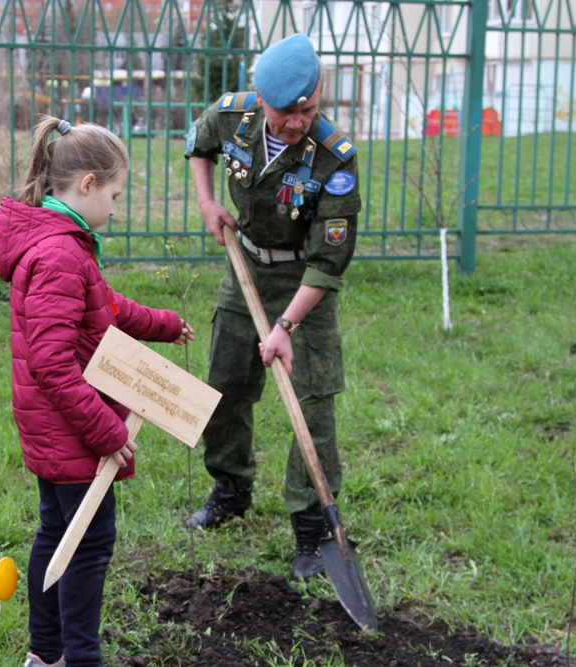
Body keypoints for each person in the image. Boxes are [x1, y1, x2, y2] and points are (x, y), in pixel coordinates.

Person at [0, 117, 195, 667]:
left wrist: (165, 323)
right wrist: (106, 433)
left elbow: (106, 306)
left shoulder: (63, 244)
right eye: (114, 194)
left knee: (58, 532)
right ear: (86, 185)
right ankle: (80, 658)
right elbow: (52, 362)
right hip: (73, 430)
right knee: (87, 544)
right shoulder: (59, 254)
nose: (115, 207)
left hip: (54, 428)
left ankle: (46, 653)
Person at [183, 33, 361, 581]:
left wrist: (286, 326)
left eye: (308, 108)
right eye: (286, 112)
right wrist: (208, 202)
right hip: (247, 269)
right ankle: (231, 488)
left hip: (304, 280)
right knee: (227, 382)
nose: (298, 121)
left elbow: (329, 264)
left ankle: (311, 529)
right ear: (262, 101)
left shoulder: (334, 158)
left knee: (313, 403)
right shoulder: (233, 117)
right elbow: (197, 142)